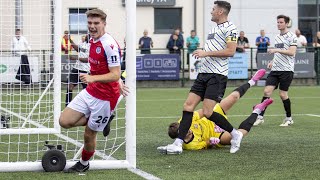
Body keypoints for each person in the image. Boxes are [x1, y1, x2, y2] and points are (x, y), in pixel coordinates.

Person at [159, 1, 241, 155]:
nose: (211, 11)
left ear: (221, 12)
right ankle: (178, 142)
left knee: (208, 112)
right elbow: (215, 48)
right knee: (188, 106)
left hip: (217, 75)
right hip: (203, 73)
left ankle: (235, 134)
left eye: (213, 9)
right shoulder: (214, 28)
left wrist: (206, 53)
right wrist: (203, 51)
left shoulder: (231, 28)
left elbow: (230, 51)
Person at [59, 9, 122, 173]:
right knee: (64, 121)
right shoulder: (93, 40)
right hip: (92, 91)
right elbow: (98, 62)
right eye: (89, 23)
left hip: (106, 97)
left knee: (89, 134)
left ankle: (84, 163)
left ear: (104, 24)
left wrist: (93, 78)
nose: (92, 26)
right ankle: (103, 120)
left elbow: (115, 73)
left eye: (96, 23)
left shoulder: (109, 44)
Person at [157, 69, 272, 152]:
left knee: (233, 97)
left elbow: (203, 112)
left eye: (186, 128)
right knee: (239, 134)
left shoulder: (186, 120)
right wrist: (212, 141)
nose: (189, 130)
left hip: (211, 116)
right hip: (217, 134)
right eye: (186, 132)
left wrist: (211, 112)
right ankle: (257, 111)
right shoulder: (191, 146)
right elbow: (206, 143)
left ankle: (252, 81)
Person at [254, 15, 297, 127]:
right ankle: (260, 117)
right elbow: (278, 53)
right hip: (275, 70)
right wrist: (273, 61)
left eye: (281, 22)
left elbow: (292, 52)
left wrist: (277, 50)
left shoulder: (292, 36)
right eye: (277, 22)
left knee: (283, 94)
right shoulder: (277, 36)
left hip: (286, 70)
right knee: (267, 91)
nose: (278, 24)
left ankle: (289, 118)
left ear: (286, 23)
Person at [65, 34, 90, 107]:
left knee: (87, 90)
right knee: (70, 86)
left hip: (85, 70)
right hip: (76, 68)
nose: (86, 36)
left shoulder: (93, 46)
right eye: (86, 35)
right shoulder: (83, 44)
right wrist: (70, 40)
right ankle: (67, 105)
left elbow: (88, 60)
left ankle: (87, 106)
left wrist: (76, 58)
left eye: (88, 35)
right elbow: (77, 49)